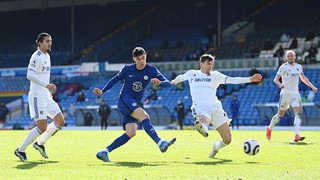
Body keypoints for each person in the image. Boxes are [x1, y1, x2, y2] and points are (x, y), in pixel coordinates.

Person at [93, 47, 176, 162]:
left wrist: (160, 82)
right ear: (134, 59)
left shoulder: (151, 70)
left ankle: (104, 151)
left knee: (131, 132)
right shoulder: (127, 69)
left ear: (145, 56)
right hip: (125, 100)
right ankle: (160, 142)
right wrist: (103, 91)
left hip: (134, 102)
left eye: (143, 58)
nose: (142, 61)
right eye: (139, 59)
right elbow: (115, 79)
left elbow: (168, 83)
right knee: (144, 116)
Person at [171, 54, 262, 158]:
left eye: (212, 64)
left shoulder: (216, 75)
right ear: (201, 64)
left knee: (227, 139)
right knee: (203, 119)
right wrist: (174, 81)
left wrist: (250, 79)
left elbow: (232, 80)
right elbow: (181, 77)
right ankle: (203, 128)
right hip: (200, 106)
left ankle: (216, 147)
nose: (211, 66)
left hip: (216, 107)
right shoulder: (192, 73)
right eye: (208, 64)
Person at [14, 33, 65, 162]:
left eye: (51, 41)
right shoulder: (36, 57)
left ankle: (40, 144)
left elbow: (43, 76)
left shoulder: (47, 56)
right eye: (47, 41)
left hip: (45, 95)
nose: (49, 43)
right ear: (39, 43)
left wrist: (47, 90)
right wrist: (46, 85)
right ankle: (20, 150)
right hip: (37, 96)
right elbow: (29, 75)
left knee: (60, 121)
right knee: (42, 127)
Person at [266, 50, 318, 142]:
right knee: (280, 115)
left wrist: (312, 86)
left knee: (298, 113)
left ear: (295, 57)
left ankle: (297, 134)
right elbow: (276, 79)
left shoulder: (299, 67)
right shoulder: (283, 67)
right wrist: (280, 85)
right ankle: (269, 128)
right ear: (286, 58)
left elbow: (303, 78)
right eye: (288, 56)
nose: (290, 57)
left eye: (292, 55)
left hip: (295, 94)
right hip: (285, 94)